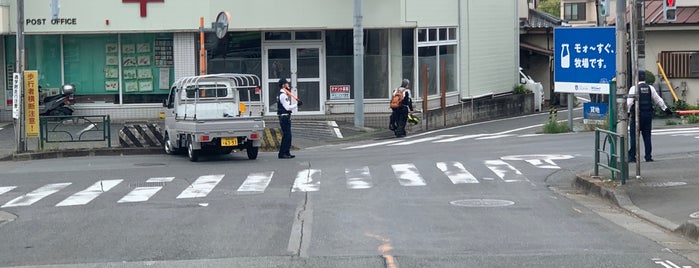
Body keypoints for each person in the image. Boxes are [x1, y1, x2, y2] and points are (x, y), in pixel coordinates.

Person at [627, 71, 672, 162]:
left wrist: (628, 112)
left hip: (637, 116)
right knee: (647, 137)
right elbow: (658, 99)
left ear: (636, 78)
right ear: (645, 78)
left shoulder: (634, 88)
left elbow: (629, 102)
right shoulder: (650, 88)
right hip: (647, 115)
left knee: (634, 137)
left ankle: (632, 157)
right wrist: (665, 109)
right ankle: (648, 156)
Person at [277, 78, 302, 159]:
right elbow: (287, 108)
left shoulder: (283, 94)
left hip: (285, 117)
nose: (288, 85)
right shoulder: (283, 95)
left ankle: (287, 152)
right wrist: (297, 105)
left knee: (288, 136)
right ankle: (282, 153)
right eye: (287, 83)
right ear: (283, 85)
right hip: (284, 117)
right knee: (287, 136)